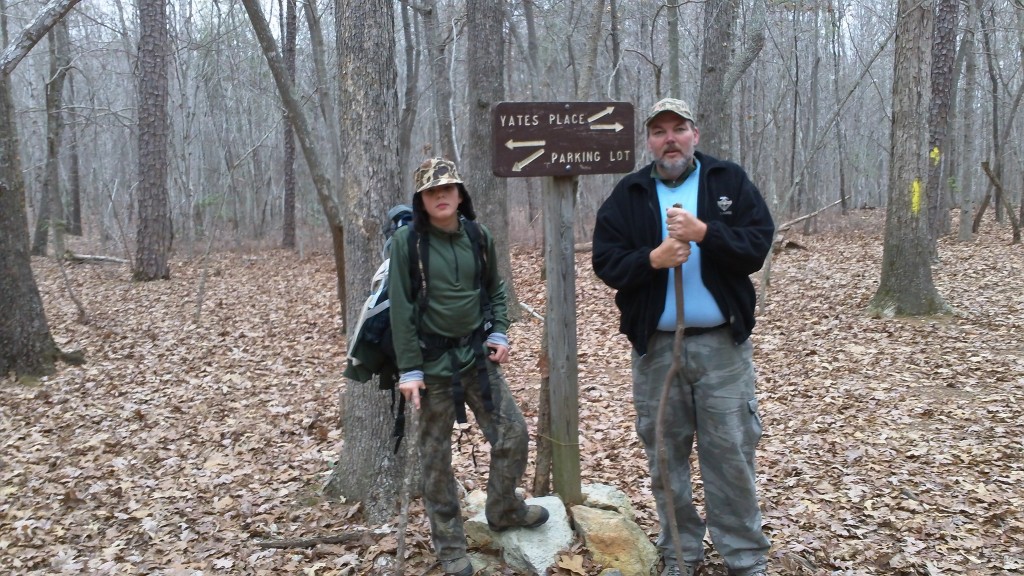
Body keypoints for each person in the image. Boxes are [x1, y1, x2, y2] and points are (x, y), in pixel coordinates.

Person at [591, 98, 774, 576]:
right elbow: (606, 262)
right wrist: (652, 260)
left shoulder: (726, 181)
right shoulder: (629, 193)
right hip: (655, 350)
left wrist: (704, 232)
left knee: (729, 452)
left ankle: (744, 555)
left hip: (721, 347)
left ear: (695, 133)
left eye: (678, 129)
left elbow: (756, 245)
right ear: (649, 141)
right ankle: (679, 551)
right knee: (665, 455)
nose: (669, 139)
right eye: (659, 132)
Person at [390, 158, 549, 576]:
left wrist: (499, 332)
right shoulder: (407, 243)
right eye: (431, 191)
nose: (441, 196)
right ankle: (450, 545)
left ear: (461, 194)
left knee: (512, 434)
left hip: (477, 360)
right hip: (431, 368)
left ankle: (503, 508)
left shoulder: (479, 236)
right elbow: (402, 312)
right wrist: (410, 371)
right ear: (421, 200)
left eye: (448, 188)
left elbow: (495, 289)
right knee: (436, 459)